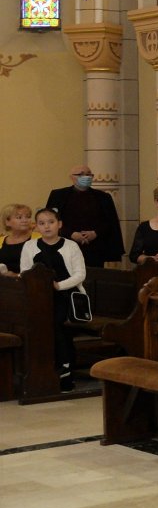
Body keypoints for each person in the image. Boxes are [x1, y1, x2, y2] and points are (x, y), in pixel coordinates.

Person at [19, 207, 88, 390]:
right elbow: (25, 272)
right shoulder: (29, 246)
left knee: (57, 324)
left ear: (59, 224)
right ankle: (44, 370)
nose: (47, 226)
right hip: (39, 297)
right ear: (36, 226)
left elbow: (80, 274)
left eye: (51, 222)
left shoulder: (71, 246)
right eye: (42, 223)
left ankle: (65, 371)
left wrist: (58, 286)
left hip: (67, 295)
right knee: (39, 325)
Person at [45, 163, 123, 269]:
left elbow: (110, 222)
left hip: (95, 248)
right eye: (81, 174)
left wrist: (95, 233)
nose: (86, 177)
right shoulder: (58, 196)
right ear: (71, 177)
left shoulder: (103, 197)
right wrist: (71, 234)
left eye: (89, 174)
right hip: (65, 245)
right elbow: (50, 220)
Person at [0, 202, 33, 274]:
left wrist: (16, 276)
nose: (25, 220)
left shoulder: (38, 238)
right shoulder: (1, 240)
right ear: (7, 222)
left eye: (28, 217)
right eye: (19, 217)